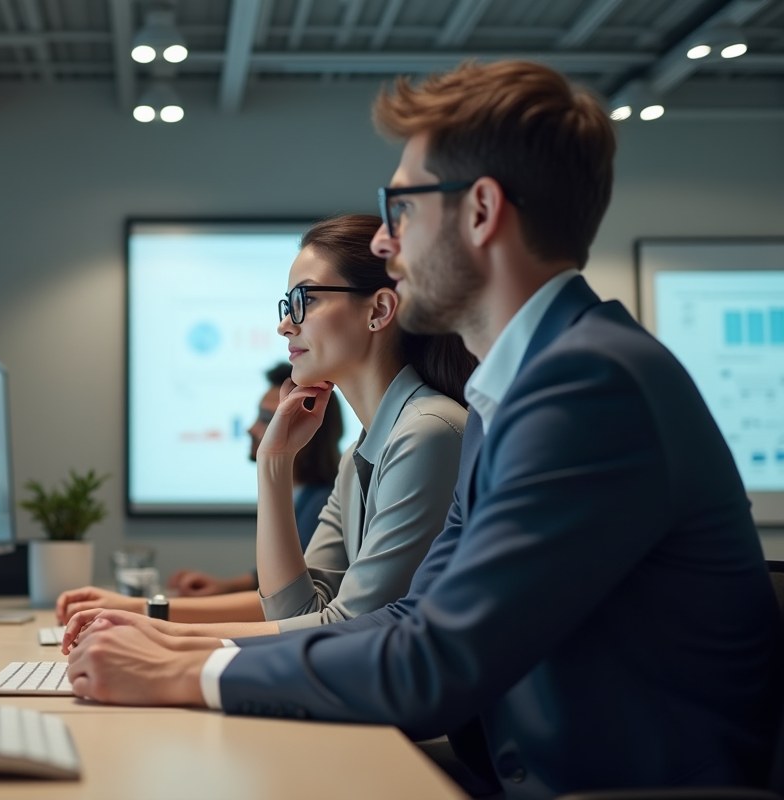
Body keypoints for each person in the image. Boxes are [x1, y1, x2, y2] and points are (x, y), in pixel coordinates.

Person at [61, 60, 784, 798]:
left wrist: (189, 668)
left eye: (400, 205)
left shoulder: (588, 384)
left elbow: (435, 663)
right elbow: (411, 618)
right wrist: (174, 639)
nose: (383, 241)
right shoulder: (514, 392)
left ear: (480, 211)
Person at [57, 215, 475, 632]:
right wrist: (274, 461)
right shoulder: (359, 457)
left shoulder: (428, 432)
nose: (284, 324)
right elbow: (300, 615)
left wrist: (158, 634)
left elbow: (339, 632)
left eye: (304, 300)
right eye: (286, 304)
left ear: (379, 310)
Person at [168, 362, 341, 598]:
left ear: (310, 428)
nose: (251, 429)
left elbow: (290, 597)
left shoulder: (324, 503)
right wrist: (224, 586)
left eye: (265, 418)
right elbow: (280, 578)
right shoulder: (302, 496)